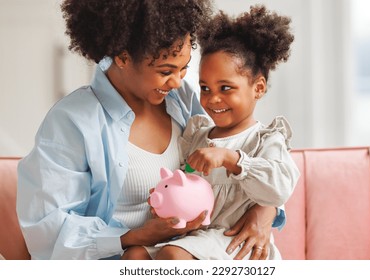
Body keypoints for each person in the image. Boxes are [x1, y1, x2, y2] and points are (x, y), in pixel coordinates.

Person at [16, 0, 284, 260]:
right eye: (166, 70)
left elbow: (244, 150)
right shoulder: (72, 122)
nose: (178, 82)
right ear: (122, 57)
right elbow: (48, 233)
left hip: (193, 252)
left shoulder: (182, 100)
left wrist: (266, 208)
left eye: (184, 68)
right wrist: (136, 236)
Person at [125, 4, 299, 260]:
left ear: (258, 88)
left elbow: (280, 188)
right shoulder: (197, 134)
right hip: (193, 238)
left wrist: (232, 159)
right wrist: (167, 195)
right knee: (134, 255)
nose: (213, 99)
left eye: (226, 88)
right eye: (205, 88)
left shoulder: (265, 139)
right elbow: (183, 179)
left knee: (173, 258)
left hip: (234, 242)